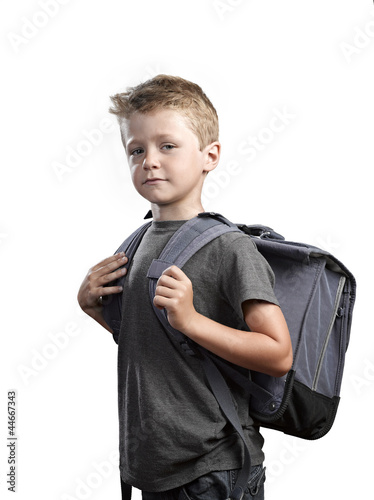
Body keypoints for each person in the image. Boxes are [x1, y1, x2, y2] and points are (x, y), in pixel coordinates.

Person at [77, 74, 292, 500]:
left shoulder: (230, 248)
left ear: (210, 155)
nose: (149, 160)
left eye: (167, 145)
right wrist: (93, 309)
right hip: (154, 467)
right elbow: (154, 342)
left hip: (213, 469)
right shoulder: (137, 243)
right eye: (136, 150)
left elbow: (278, 354)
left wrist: (192, 319)